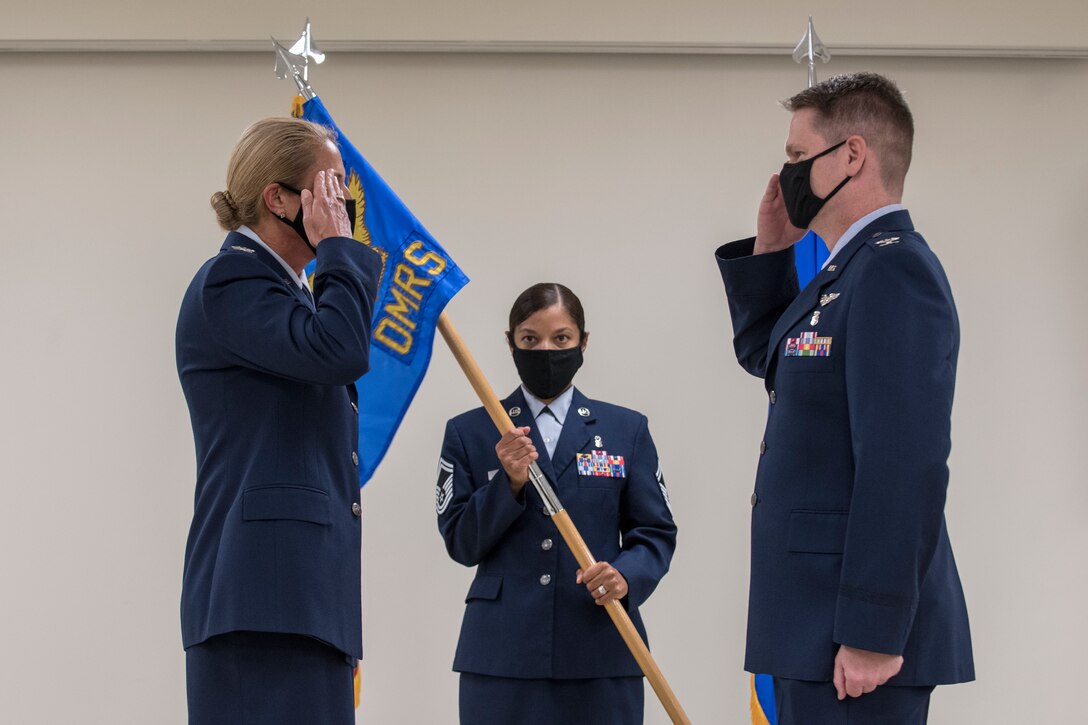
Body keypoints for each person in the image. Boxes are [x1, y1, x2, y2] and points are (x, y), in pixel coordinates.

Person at [714, 73, 974, 724]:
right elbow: (769, 360)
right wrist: (772, 253)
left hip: (853, 639)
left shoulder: (894, 270)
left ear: (851, 155)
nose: (787, 173)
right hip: (810, 625)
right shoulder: (846, 271)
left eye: (798, 157)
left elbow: (903, 462)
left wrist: (874, 630)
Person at [176, 117, 382, 724]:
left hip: (302, 601)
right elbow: (340, 350)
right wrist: (341, 253)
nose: (344, 207)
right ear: (278, 199)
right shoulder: (233, 279)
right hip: (261, 603)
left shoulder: (285, 291)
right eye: (332, 188)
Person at [436, 283, 677, 725]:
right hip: (501, 657)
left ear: (583, 342)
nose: (545, 349)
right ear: (510, 343)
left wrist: (625, 576)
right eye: (530, 338)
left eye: (561, 338)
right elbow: (460, 543)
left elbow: (655, 533)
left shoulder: (627, 431)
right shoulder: (471, 431)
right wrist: (507, 483)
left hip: (601, 651)